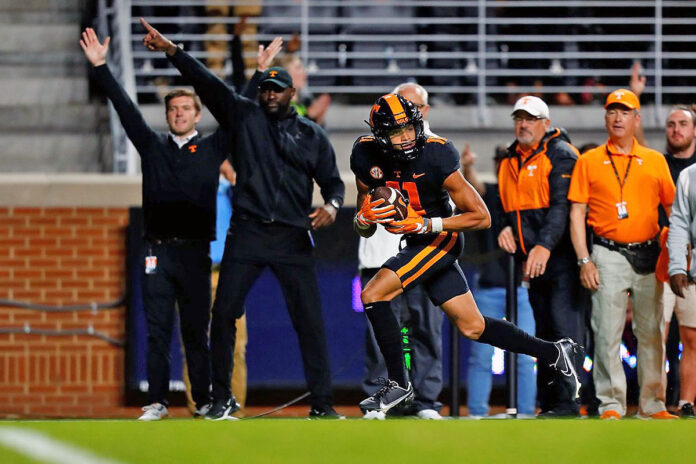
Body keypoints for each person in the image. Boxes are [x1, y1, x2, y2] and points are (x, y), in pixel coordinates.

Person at [140, 19, 346, 420]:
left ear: (292, 92)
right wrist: (172, 51)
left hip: (292, 236)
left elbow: (333, 183)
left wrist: (334, 206)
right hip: (248, 233)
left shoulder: (311, 135)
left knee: (310, 322)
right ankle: (221, 399)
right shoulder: (244, 117)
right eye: (265, 87)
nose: (269, 94)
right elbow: (207, 82)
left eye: (277, 88)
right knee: (223, 315)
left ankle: (322, 404)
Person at [351, 92, 582, 417]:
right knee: (472, 326)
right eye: (395, 133)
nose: (405, 139)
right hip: (416, 243)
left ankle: (399, 385)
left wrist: (425, 224)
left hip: (438, 239)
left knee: (372, 294)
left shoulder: (436, 153)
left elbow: (481, 216)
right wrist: (362, 219)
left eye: (409, 129)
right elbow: (365, 224)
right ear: (380, 136)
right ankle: (555, 352)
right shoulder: (365, 154)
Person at [80, 28, 230, 421]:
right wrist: (100, 67)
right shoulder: (152, 146)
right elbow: (125, 107)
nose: (179, 114)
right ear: (168, 115)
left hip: (197, 251)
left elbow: (236, 109)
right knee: (158, 330)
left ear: (198, 115)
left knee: (197, 333)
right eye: (173, 109)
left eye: (186, 109)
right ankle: (159, 401)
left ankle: (204, 403)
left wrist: (257, 69)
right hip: (157, 251)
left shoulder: (214, 146)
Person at [568, 89, 677, 420]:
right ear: (605, 118)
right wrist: (584, 259)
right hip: (607, 253)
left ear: (637, 119)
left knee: (652, 334)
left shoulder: (655, 161)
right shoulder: (589, 160)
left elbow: (674, 211)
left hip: (650, 253)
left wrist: (677, 254)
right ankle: (611, 404)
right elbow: (577, 214)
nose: (618, 118)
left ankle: (652, 404)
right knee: (606, 332)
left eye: (625, 112)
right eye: (613, 112)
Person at [360, 83, 444, 420]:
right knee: (380, 334)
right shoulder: (371, 147)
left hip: (424, 255)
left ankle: (426, 402)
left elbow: (452, 209)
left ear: (425, 111)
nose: (409, 113)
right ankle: (382, 398)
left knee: (426, 330)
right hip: (379, 255)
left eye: (416, 107)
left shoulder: (438, 150)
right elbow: (362, 203)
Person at [497, 95, 584, 416]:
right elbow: (506, 206)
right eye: (519, 118)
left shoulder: (560, 154)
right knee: (544, 334)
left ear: (546, 124)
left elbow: (562, 207)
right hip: (532, 262)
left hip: (560, 259)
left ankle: (570, 402)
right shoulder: (509, 159)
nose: (523, 124)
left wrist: (545, 245)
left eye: (531, 119)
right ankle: (550, 404)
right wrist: (504, 226)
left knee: (564, 330)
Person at [464, 147, 537, 419]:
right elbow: (475, 186)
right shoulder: (492, 193)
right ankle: (477, 414)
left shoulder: (525, 195)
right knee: (481, 357)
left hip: (521, 288)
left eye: (507, 160)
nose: (502, 165)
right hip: (489, 287)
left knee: (524, 356)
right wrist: (468, 166)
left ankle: (526, 414)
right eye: (498, 161)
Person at [665, 118, 696, 419]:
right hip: (695, 273)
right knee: (691, 340)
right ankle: (686, 402)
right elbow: (679, 226)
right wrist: (677, 266)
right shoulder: (688, 176)